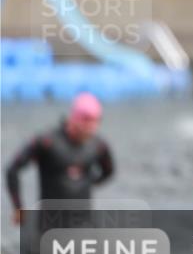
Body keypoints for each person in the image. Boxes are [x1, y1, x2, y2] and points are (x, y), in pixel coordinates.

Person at [6, 92, 113, 225]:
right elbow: (13, 169)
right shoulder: (47, 142)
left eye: (95, 121)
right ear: (74, 117)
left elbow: (109, 171)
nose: (91, 128)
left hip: (84, 226)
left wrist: (86, 182)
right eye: (86, 120)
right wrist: (18, 208)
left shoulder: (98, 146)